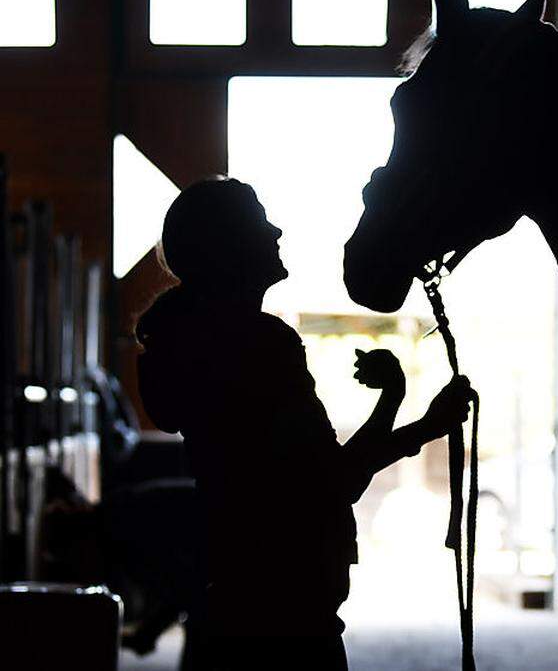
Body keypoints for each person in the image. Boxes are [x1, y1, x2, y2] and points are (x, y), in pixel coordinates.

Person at [136, 177, 471, 670]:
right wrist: (409, 412)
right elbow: (331, 482)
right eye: (258, 221)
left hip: (238, 603)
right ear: (228, 248)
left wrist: (412, 416)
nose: (275, 230)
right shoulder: (261, 346)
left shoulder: (206, 345)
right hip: (287, 615)